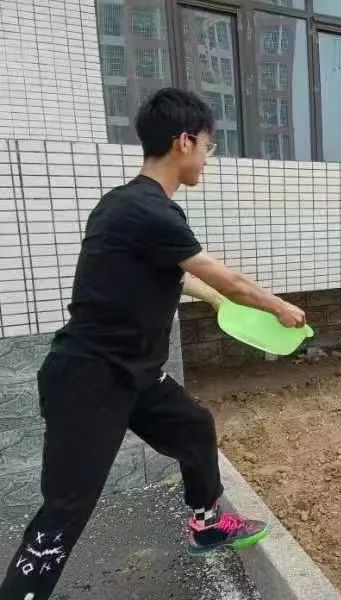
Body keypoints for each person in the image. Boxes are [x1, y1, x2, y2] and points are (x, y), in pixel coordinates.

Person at [0, 88, 306, 600]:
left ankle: (206, 524)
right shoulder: (147, 211)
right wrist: (279, 307)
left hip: (136, 373)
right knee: (67, 508)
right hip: (91, 378)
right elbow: (226, 277)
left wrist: (215, 303)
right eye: (208, 146)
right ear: (184, 141)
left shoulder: (132, 207)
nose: (208, 158)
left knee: (193, 428)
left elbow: (184, 277)